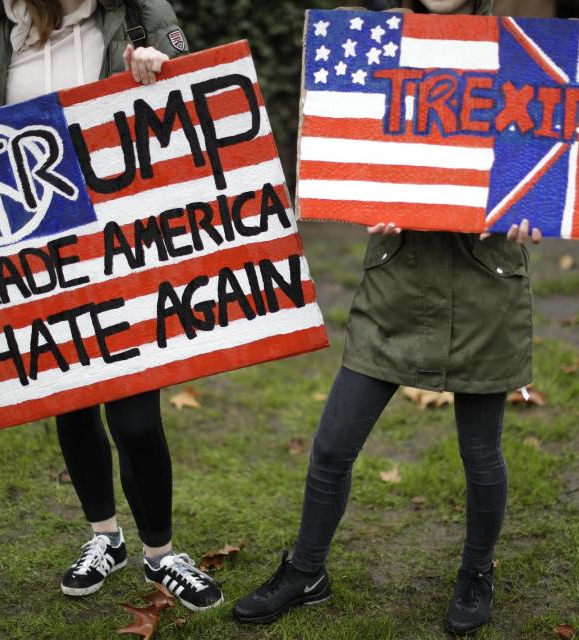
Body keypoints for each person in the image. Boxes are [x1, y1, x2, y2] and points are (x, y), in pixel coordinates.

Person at [232, 0, 542, 634]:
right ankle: (307, 569)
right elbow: (352, 144)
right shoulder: (376, 45)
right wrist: (365, 187)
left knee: (482, 455)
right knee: (333, 445)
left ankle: (476, 570)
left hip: (486, 282)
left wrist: (536, 204)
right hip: (397, 279)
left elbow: (545, 157)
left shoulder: (521, 51)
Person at [0, 0, 223, 611]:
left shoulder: (138, 14)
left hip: (126, 244)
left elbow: (192, 113)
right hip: (40, 254)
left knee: (135, 420)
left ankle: (161, 553)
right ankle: (105, 538)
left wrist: (163, 70)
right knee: (70, 406)